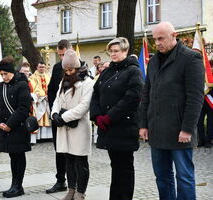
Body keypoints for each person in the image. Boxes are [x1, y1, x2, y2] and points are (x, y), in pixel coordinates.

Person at [139, 22, 204, 200]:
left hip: (179, 131)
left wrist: (187, 129)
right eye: (155, 39)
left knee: (184, 178)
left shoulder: (191, 58)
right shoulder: (152, 61)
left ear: (174, 35)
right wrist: (143, 124)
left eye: (161, 38)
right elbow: (147, 95)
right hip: (156, 130)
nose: (157, 43)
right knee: (162, 177)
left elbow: (195, 97)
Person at [90, 37, 143, 200]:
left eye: (116, 51)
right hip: (108, 128)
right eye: (111, 51)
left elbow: (132, 97)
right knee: (115, 167)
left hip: (124, 127)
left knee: (124, 169)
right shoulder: (107, 71)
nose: (113, 54)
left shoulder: (134, 71)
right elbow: (95, 94)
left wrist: (110, 117)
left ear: (125, 51)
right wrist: (97, 115)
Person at [52, 49, 94, 200]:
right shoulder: (63, 81)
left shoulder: (87, 82)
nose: (68, 72)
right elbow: (57, 100)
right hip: (64, 128)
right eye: (66, 70)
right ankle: (71, 190)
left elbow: (84, 106)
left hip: (79, 127)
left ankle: (80, 192)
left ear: (77, 67)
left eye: (71, 69)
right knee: (68, 160)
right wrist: (54, 114)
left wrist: (63, 117)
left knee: (81, 161)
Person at [0, 56, 32, 198]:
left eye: (6, 74)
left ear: (12, 72)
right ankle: (14, 185)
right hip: (4, 129)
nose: (4, 77)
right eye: (1, 75)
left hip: (18, 128)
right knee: (12, 156)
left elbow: (23, 108)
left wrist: (9, 124)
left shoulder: (22, 85)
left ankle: (18, 185)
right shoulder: (0, 87)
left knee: (18, 156)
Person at [46, 39, 72, 193]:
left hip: (72, 116)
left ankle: (75, 184)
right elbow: (51, 91)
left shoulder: (80, 65)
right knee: (59, 150)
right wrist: (53, 111)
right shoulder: (57, 68)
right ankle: (60, 180)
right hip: (58, 117)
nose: (62, 58)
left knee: (74, 152)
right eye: (59, 55)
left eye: (64, 54)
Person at [29, 61, 52, 143]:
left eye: (43, 67)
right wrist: (43, 96)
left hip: (48, 100)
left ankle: (48, 136)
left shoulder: (48, 76)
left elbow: (51, 86)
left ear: (45, 68)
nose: (42, 68)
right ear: (37, 67)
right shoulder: (33, 77)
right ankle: (39, 137)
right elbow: (35, 88)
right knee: (39, 116)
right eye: (40, 67)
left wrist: (49, 95)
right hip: (40, 100)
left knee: (48, 117)